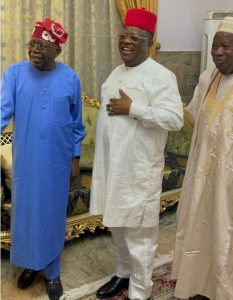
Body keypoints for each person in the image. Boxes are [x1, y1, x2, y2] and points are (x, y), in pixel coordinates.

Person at [90, 8, 184, 300]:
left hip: (139, 171)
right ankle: (123, 274)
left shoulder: (162, 76)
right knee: (117, 226)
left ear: (149, 42)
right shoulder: (117, 72)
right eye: (122, 36)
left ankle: (140, 291)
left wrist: (134, 109)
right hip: (112, 167)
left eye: (134, 37)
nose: (125, 42)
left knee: (140, 236)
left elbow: (174, 119)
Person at [1, 18, 85, 300]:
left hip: (57, 162)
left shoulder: (70, 77)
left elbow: (76, 124)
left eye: (43, 45)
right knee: (26, 214)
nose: (35, 50)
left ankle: (53, 272)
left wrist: (75, 156)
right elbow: (1, 112)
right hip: (26, 160)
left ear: (57, 51)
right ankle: (31, 265)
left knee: (51, 216)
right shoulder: (13, 74)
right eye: (33, 43)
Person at [171, 16, 233, 300]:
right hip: (202, 175)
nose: (218, 52)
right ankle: (199, 284)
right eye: (215, 46)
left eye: (227, 47)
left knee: (224, 235)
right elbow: (194, 115)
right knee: (200, 229)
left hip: (229, 184)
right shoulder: (208, 78)